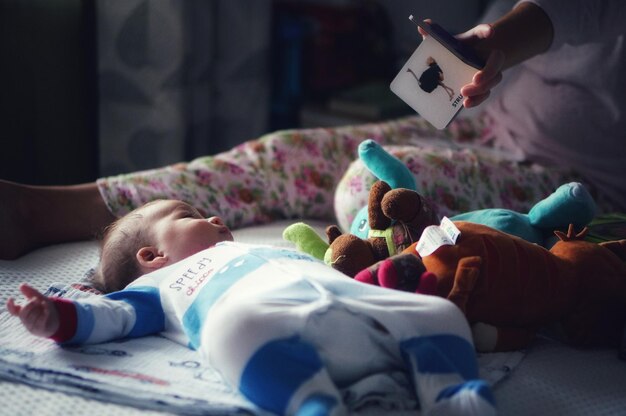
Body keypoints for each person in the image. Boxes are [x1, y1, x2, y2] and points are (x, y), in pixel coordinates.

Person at [2, 0, 624, 261]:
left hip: (573, 177)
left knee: (366, 190)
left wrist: (492, 42)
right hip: (480, 121)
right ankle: (42, 208)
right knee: (283, 152)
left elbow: (564, 12)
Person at [6, 199, 496, 416]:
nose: (214, 217)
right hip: (275, 334)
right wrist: (59, 317)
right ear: (152, 257)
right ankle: (312, 403)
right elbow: (112, 316)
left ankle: (451, 394)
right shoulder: (162, 285)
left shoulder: (261, 249)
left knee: (438, 313)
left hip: (358, 313)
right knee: (231, 329)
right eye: (189, 216)